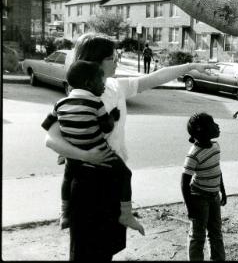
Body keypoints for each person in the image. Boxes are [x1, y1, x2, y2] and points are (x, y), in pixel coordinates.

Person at [44, 32, 217, 260]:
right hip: (87, 181)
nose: (116, 61)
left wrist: (190, 66)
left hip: (113, 180)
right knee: (86, 251)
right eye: (112, 58)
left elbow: (155, 78)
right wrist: (86, 155)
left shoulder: (116, 86)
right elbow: (51, 139)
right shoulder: (80, 94)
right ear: (95, 62)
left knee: (106, 249)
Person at [42, 60, 144, 235]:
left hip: (73, 155)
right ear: (89, 83)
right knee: (125, 174)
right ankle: (126, 214)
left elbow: (46, 124)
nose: (103, 86)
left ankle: (65, 213)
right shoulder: (96, 103)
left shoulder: (60, 103)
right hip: (100, 151)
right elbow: (107, 127)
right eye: (100, 81)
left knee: (68, 178)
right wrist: (113, 116)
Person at [181, 112, 227, 261]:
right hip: (199, 198)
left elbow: (217, 170)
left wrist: (223, 191)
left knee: (216, 232)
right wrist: (190, 208)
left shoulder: (215, 146)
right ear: (202, 130)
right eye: (213, 124)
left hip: (214, 196)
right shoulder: (194, 154)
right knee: (197, 235)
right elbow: (184, 182)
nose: (217, 126)